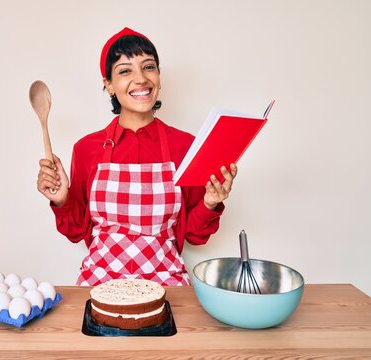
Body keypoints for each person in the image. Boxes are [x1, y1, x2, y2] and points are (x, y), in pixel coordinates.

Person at [37, 27, 237, 286]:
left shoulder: (186, 146)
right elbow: (79, 233)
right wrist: (63, 200)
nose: (140, 78)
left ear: (159, 77)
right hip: (99, 282)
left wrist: (210, 202)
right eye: (125, 70)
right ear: (108, 85)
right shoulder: (87, 149)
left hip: (168, 283)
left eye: (148, 67)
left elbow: (195, 236)